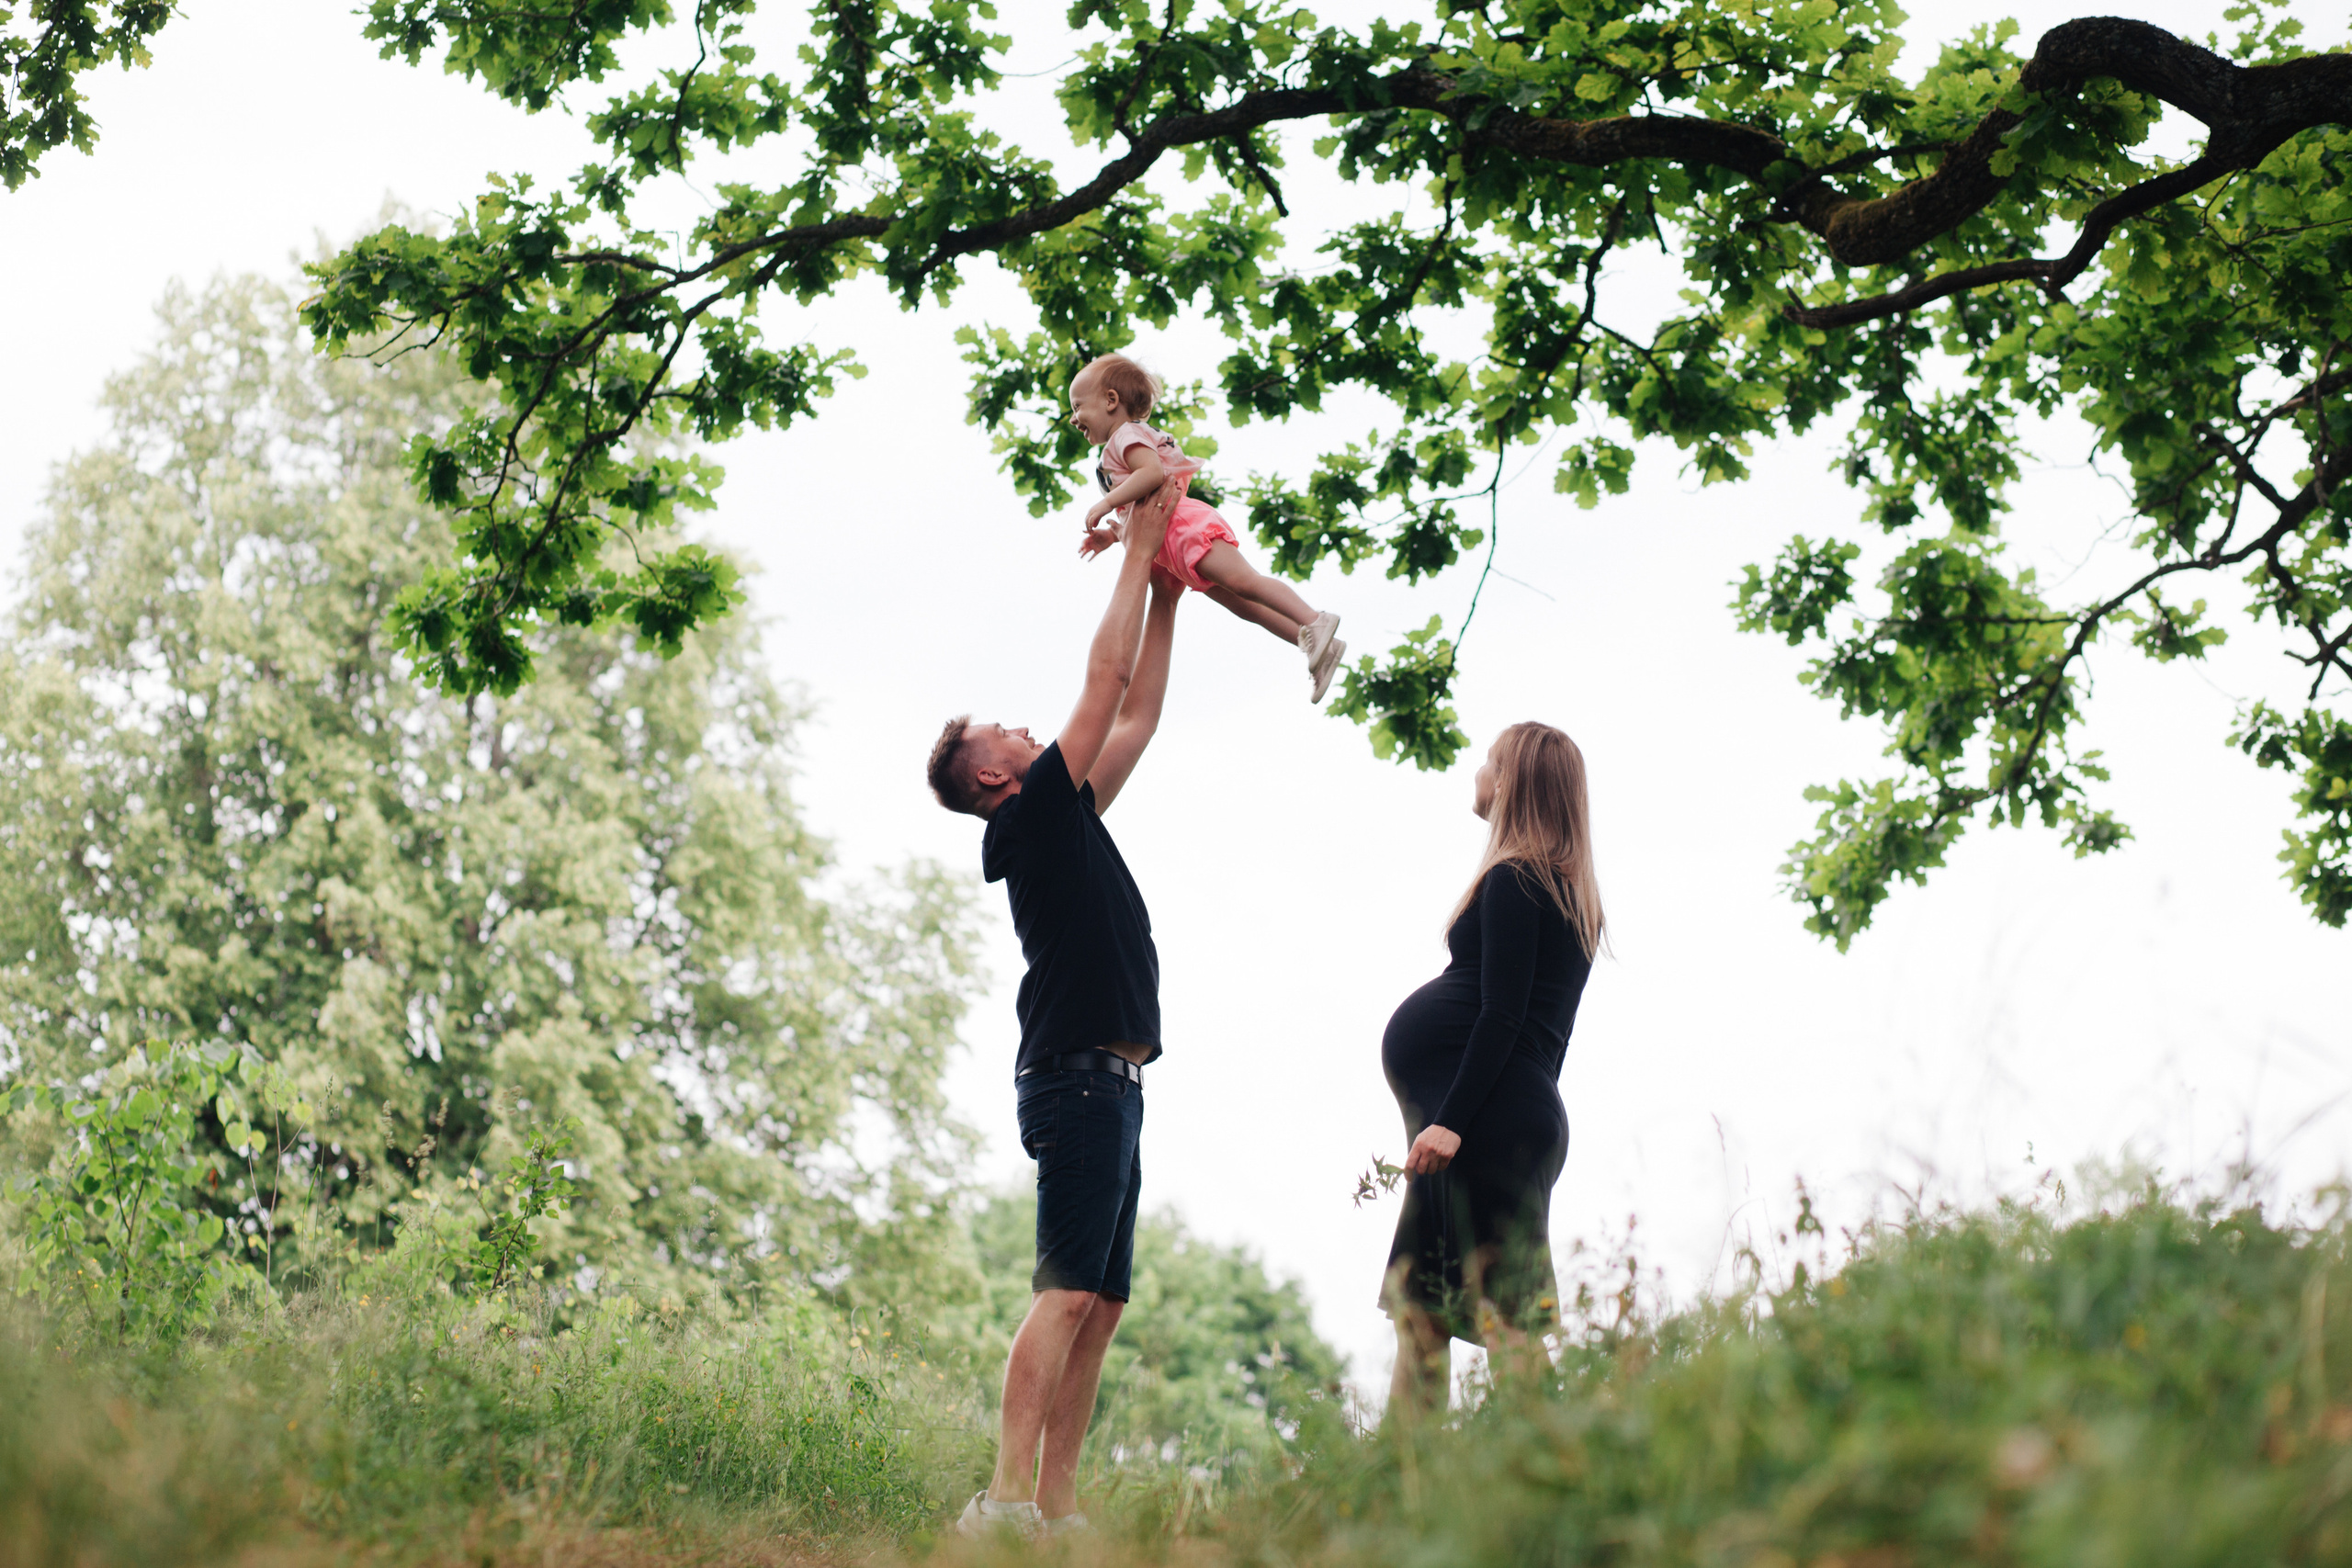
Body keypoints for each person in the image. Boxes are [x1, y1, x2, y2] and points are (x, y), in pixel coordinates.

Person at [924, 479, 1185, 1540]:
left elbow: (1139, 711)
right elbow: (1103, 678)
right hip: (1074, 1077)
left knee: (1102, 1303)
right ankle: (1001, 1501)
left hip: (1112, 1084)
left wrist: (1167, 588)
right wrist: (1142, 541)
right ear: (992, 776)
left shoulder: (1063, 813)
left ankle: (1059, 1513)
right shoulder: (1027, 818)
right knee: (1066, 1290)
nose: (1029, 730)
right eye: (1008, 732)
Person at [1378, 721, 1604, 1416]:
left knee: (1503, 1314)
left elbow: (1504, 1013)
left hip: (1479, 1121)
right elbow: (1547, 1040)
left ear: (1511, 780)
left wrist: (1451, 1120)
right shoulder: (1565, 893)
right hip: (1499, 1116)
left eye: (1488, 761)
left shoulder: (1515, 879)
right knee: (1421, 1306)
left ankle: (1555, 1463)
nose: (1479, 772)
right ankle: (1399, 1482)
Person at [1067, 351, 1348, 703]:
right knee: (1245, 606)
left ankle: (1315, 619)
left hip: (1184, 528)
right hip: (1173, 548)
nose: (1074, 418)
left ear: (1110, 401)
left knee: (1246, 583)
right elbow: (1137, 510)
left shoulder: (1124, 436)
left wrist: (1106, 501)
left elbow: (1152, 474)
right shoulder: (1117, 449)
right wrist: (1111, 535)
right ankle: (1319, 648)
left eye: (1077, 406)